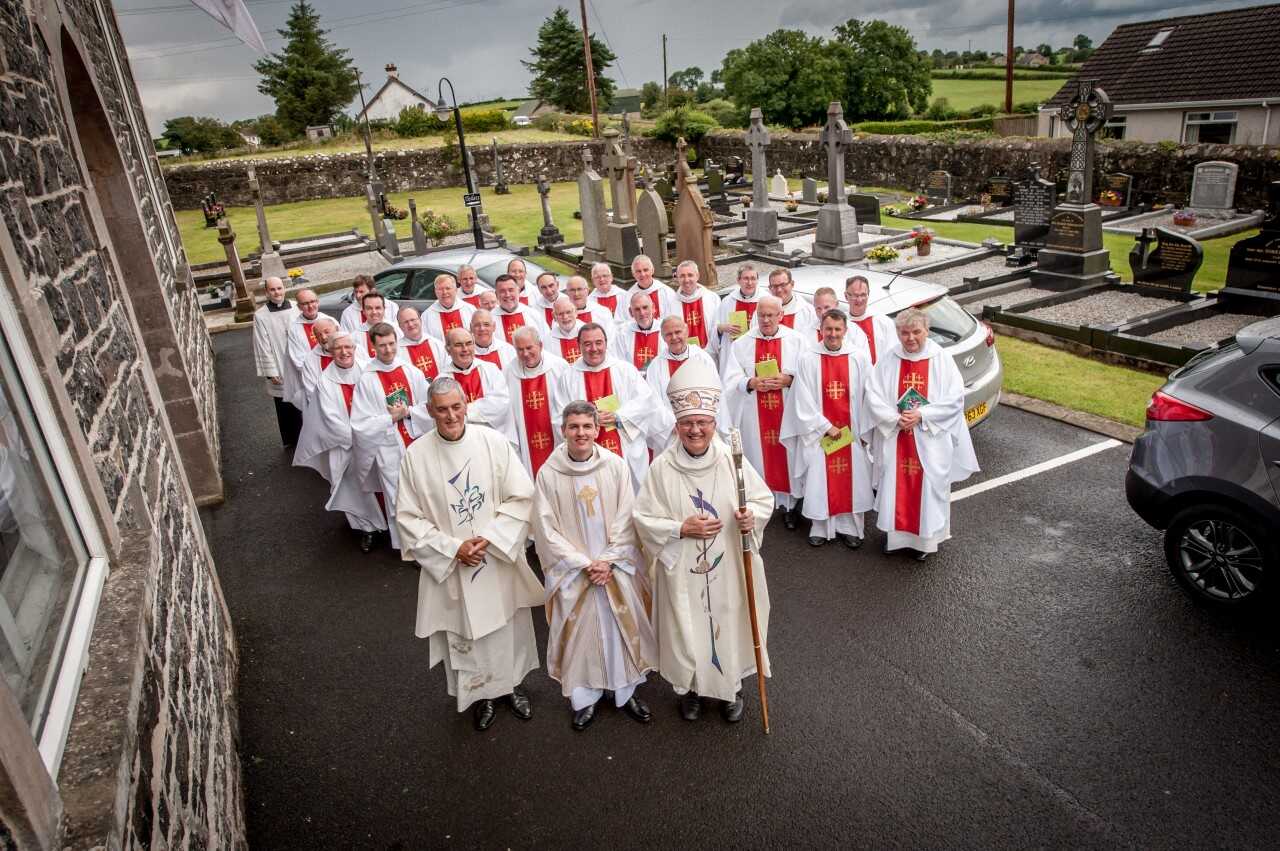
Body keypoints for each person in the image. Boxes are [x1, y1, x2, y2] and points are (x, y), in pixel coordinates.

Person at [396, 377, 543, 731]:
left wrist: (491, 538)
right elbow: (407, 517)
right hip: (454, 562)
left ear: (467, 404)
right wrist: (453, 549)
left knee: (507, 624)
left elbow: (522, 496)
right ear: (430, 411)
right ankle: (483, 695)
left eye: (457, 407)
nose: (451, 416)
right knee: (467, 631)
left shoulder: (493, 442)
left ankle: (511, 687)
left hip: (495, 556)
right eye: (442, 409)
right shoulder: (416, 456)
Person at [633, 357, 774, 723]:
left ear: (714, 424)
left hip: (726, 562)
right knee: (689, 624)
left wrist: (750, 517)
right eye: (688, 423)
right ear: (677, 427)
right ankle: (693, 689)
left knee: (727, 618)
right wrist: (680, 529)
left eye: (702, 423)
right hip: (683, 566)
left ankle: (730, 690)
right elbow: (643, 518)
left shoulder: (733, 460)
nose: (696, 430)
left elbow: (761, 499)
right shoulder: (661, 468)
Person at [532, 401, 658, 731]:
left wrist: (610, 561)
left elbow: (627, 517)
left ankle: (625, 691)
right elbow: (545, 530)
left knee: (620, 629)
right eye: (573, 427)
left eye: (587, 426)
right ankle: (584, 699)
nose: (581, 433)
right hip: (575, 573)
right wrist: (583, 564)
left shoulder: (614, 467)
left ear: (597, 429)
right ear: (563, 430)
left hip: (613, 568)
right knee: (580, 637)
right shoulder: (549, 473)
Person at [866, 308, 979, 561]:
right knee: (895, 484)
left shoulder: (940, 358)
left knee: (927, 489)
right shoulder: (888, 359)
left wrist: (923, 415)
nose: (910, 338)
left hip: (929, 440)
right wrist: (895, 418)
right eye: (904, 333)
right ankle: (896, 539)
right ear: (897, 333)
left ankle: (925, 543)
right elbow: (873, 395)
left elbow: (954, 398)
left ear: (926, 331)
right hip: (896, 436)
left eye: (916, 332)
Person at [782, 309, 875, 549]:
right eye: (828, 329)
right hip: (819, 434)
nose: (832, 334)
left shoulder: (859, 358)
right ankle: (820, 527)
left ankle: (851, 528)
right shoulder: (808, 358)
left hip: (851, 434)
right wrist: (826, 426)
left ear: (845, 330)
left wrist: (866, 431)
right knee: (819, 480)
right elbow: (801, 400)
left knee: (852, 480)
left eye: (837, 329)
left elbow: (870, 397)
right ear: (821, 330)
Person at [293, 331, 388, 551]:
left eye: (348, 347)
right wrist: (360, 438)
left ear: (355, 348)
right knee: (352, 485)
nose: (344, 352)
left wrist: (373, 434)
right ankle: (367, 529)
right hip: (347, 446)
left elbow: (380, 402)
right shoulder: (325, 382)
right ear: (330, 351)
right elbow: (331, 420)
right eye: (338, 349)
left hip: (376, 441)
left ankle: (390, 524)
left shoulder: (369, 369)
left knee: (386, 480)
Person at [554, 323, 670, 492]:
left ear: (606, 343)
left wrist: (619, 416)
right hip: (586, 454)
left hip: (626, 448)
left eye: (599, 342)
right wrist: (588, 422)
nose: (594, 348)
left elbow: (646, 401)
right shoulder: (568, 377)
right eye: (587, 344)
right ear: (578, 345)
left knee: (631, 498)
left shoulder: (625, 370)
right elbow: (559, 416)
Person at [723, 296, 805, 529]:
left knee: (787, 456)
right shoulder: (741, 344)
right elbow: (730, 378)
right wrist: (750, 383)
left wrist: (789, 379)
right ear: (755, 316)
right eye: (762, 315)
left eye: (771, 315)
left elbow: (810, 376)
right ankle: (759, 506)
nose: (766, 320)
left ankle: (790, 507)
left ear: (781, 315)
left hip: (787, 413)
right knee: (757, 457)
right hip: (754, 415)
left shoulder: (796, 340)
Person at [350, 322, 434, 551]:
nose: (388, 350)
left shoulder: (411, 371)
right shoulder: (366, 380)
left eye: (391, 344)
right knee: (398, 497)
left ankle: (430, 541)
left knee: (424, 493)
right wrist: (389, 418)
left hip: (416, 442)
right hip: (388, 448)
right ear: (373, 346)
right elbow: (359, 425)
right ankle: (409, 548)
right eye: (382, 345)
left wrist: (407, 412)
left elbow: (429, 407)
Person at [504, 327, 569, 478]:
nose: (525, 354)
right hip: (525, 441)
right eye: (520, 350)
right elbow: (506, 411)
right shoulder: (509, 372)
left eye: (529, 347)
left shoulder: (560, 367)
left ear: (540, 345)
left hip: (557, 438)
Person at [645, 316, 722, 443]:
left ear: (686, 331)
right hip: (673, 432)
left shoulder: (702, 358)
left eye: (678, 332)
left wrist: (702, 423)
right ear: (663, 337)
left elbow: (716, 393)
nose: (674, 337)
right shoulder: (656, 366)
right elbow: (653, 402)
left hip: (702, 430)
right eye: (669, 334)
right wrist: (675, 424)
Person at [441, 328, 516, 445]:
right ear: (448, 350)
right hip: (463, 444)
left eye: (469, 343)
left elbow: (501, 403)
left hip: (495, 440)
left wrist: (465, 411)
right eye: (458, 345)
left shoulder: (491, 369)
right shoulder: (442, 381)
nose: (465, 349)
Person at [251, 276, 301, 446]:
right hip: (279, 365)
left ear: (284, 289)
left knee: (304, 401)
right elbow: (262, 345)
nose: (277, 292)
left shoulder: (296, 307)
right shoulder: (261, 316)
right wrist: (270, 371)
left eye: (279, 288)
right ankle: (292, 440)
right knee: (284, 404)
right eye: (272, 289)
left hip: (299, 363)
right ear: (266, 292)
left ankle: (308, 437)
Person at [713, 264, 762, 371]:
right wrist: (722, 328)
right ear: (738, 280)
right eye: (746, 278)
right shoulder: (727, 301)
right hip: (732, 351)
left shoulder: (765, 300)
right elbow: (715, 330)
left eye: (753, 278)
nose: (749, 283)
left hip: (757, 351)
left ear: (757, 280)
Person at [283, 288, 324, 411]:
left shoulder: (330, 321)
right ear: (299, 307)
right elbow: (299, 362)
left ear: (318, 302)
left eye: (313, 301)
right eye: (305, 303)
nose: (311, 306)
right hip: (311, 381)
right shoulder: (295, 330)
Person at [672, 260, 721, 358]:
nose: (686, 280)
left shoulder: (712, 298)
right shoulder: (672, 303)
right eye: (682, 276)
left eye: (690, 275)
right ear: (677, 278)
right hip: (683, 357)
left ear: (697, 276)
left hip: (711, 355)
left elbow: (718, 326)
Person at [610, 288, 667, 371]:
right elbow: (619, 364)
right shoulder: (622, 333)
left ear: (653, 308)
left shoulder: (665, 329)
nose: (642, 313)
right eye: (637, 309)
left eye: (645, 307)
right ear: (630, 312)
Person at [845, 275, 895, 366]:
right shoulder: (840, 324)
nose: (859, 300)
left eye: (863, 295)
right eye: (855, 295)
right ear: (846, 296)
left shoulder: (884, 322)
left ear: (869, 294)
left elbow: (893, 354)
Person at [297, 316, 341, 406]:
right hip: (327, 407)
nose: (324, 337)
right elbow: (311, 391)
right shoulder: (311, 360)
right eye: (319, 335)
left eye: (326, 332)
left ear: (337, 329)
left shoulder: (355, 349)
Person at [493, 273, 545, 344]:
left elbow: (545, 342)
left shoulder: (533, 314)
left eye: (511, 290)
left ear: (518, 290)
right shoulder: (490, 319)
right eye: (502, 291)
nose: (507, 295)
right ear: (496, 294)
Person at [397, 307, 446, 380]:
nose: (410, 324)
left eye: (413, 320)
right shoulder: (396, 351)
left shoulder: (437, 344)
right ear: (400, 326)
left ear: (420, 320)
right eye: (405, 322)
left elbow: (447, 370)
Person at [423, 274, 476, 340]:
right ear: (435, 292)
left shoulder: (470, 310)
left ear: (456, 290)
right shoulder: (426, 316)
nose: (444, 292)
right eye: (440, 289)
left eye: (448, 288)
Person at [767, 269, 818, 337]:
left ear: (792, 284)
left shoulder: (808, 312)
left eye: (783, 285)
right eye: (775, 286)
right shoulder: (762, 312)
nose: (779, 290)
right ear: (770, 288)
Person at [351, 291, 401, 359]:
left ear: (384, 309)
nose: (374, 312)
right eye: (369, 308)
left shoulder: (395, 329)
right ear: (363, 311)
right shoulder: (355, 336)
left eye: (378, 308)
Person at [629, 254, 678, 319]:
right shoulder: (628, 296)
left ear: (652, 270)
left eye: (645, 270)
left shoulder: (667, 292)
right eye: (638, 271)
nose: (643, 274)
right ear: (633, 274)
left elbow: (675, 317)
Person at [542, 296, 585, 364]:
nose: (565, 317)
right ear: (554, 316)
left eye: (568, 312)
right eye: (560, 314)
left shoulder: (588, 332)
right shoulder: (547, 341)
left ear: (576, 312)